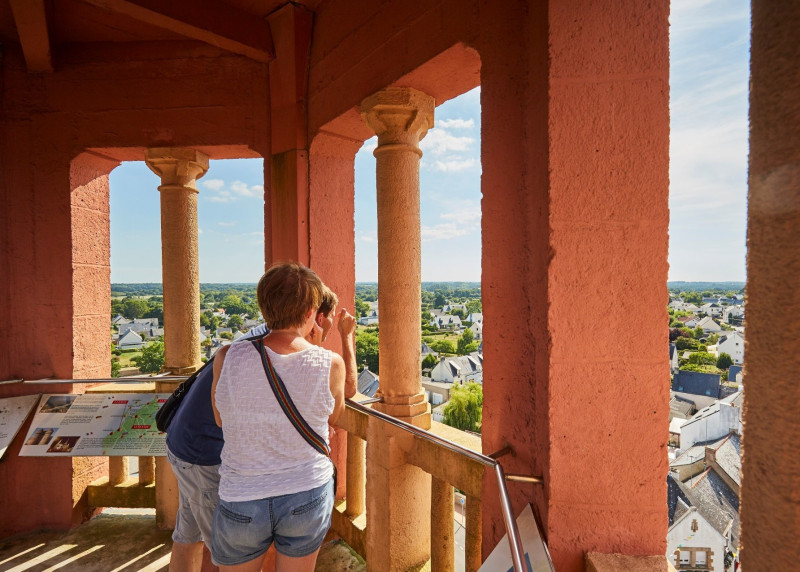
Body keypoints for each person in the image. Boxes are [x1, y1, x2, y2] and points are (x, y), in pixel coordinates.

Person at [165, 280, 355, 571]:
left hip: (184, 442)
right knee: (229, 549)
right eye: (326, 320)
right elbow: (343, 394)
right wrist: (346, 338)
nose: (327, 328)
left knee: (188, 533)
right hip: (207, 453)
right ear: (313, 315)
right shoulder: (299, 354)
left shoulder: (245, 346)